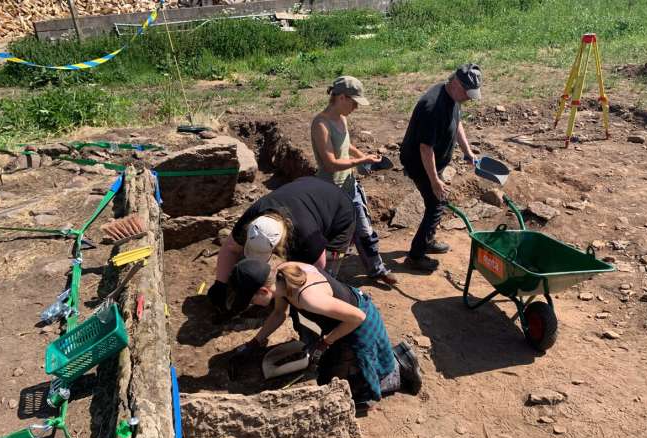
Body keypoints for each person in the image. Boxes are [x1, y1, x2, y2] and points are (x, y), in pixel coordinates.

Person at [227, 258, 422, 403]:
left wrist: (326, 342)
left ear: (263, 291)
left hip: (358, 325)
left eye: (251, 300)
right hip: (343, 321)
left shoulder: (307, 298)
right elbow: (279, 313)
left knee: (345, 395)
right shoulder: (281, 275)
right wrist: (255, 342)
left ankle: (401, 366)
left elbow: (357, 318)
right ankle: (387, 359)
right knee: (327, 373)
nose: (252, 305)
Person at [207, 176, 356, 312]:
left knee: (319, 278)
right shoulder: (253, 219)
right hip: (304, 189)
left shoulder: (307, 236)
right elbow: (230, 249)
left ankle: (326, 306)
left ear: (278, 244)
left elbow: (316, 269)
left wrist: (287, 295)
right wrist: (221, 284)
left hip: (339, 211)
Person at [311, 75, 397, 285]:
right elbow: (330, 163)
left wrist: (363, 158)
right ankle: (326, 281)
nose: (356, 107)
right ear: (342, 98)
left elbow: (346, 145)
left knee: (365, 230)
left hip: (350, 185)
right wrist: (360, 160)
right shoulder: (320, 124)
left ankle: (376, 269)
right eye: (354, 102)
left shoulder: (342, 119)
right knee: (334, 240)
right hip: (330, 191)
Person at [399, 63, 483, 272]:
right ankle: (415, 256)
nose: (468, 98)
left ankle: (428, 239)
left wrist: (467, 151)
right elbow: (425, 148)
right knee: (436, 204)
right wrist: (435, 180)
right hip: (419, 163)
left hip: (432, 162)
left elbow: (456, 123)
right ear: (455, 83)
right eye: (467, 93)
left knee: (437, 202)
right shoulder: (433, 107)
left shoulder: (453, 97)